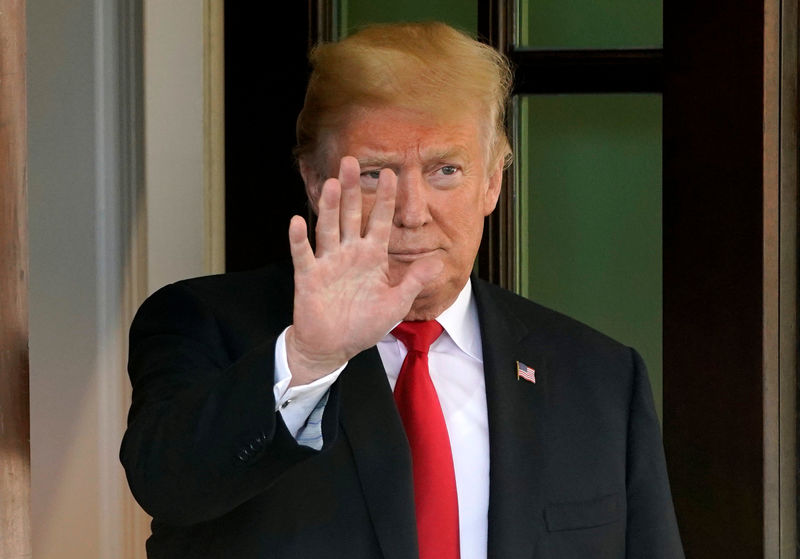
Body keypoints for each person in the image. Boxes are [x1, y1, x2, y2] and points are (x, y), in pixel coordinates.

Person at [121, 22, 684, 559]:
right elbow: (170, 486)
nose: (412, 213)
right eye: (374, 174)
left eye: (446, 170)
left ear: (492, 181)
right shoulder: (202, 323)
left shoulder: (600, 376)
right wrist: (309, 359)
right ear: (316, 184)